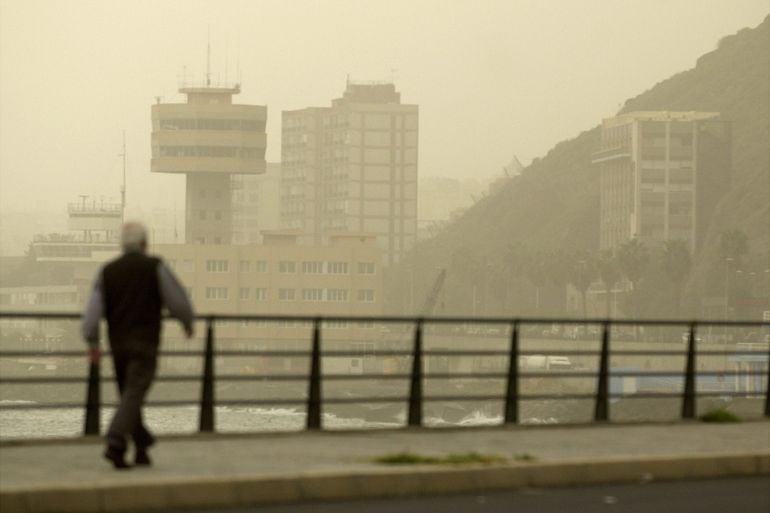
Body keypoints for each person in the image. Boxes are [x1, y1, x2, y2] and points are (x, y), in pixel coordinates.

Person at [82, 221, 193, 469]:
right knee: (134, 394)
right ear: (145, 243)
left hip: (118, 345)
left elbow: (91, 314)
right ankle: (114, 441)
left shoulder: (107, 271)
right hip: (145, 343)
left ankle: (141, 446)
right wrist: (187, 322)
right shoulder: (155, 267)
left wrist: (92, 342)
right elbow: (178, 300)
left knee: (129, 395)